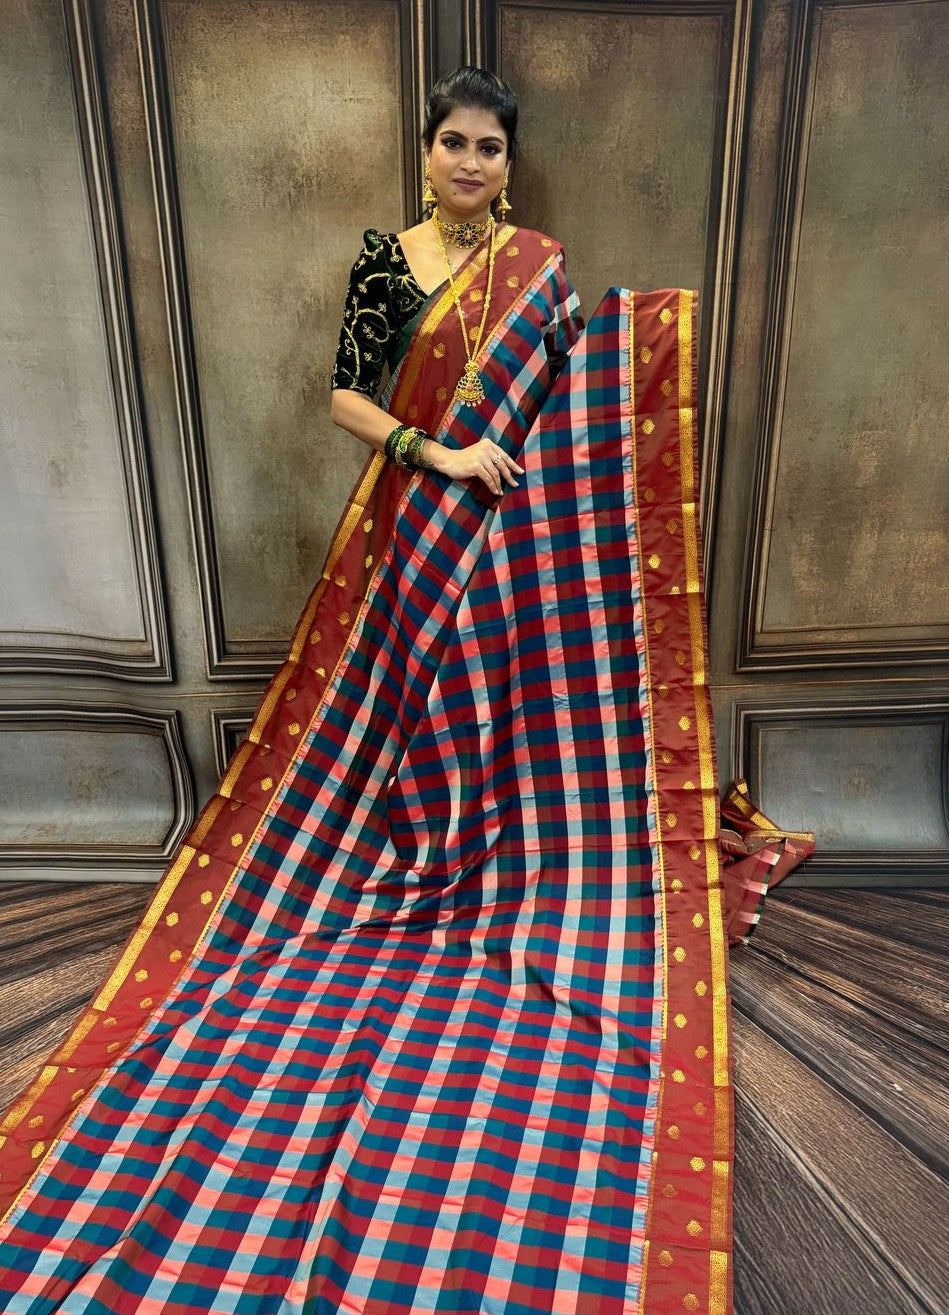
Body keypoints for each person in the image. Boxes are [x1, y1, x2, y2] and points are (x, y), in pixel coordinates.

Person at [0, 67, 755, 1315]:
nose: (470, 163)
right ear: (427, 150)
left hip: (509, 531)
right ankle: (416, 852)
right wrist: (437, 451)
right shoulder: (388, 264)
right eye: (454, 143)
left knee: (501, 700)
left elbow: (572, 393)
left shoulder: (538, 267)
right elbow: (344, 395)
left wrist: (636, 341)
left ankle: (495, 853)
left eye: (490, 148)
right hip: (420, 518)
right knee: (412, 702)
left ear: (508, 161)